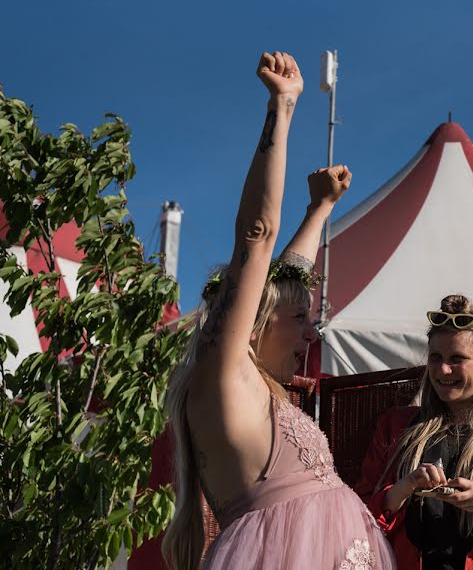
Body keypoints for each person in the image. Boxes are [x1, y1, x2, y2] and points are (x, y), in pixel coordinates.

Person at [163, 51, 395, 570]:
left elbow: (284, 282)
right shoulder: (225, 376)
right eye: (300, 321)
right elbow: (258, 237)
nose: (311, 335)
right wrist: (282, 109)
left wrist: (321, 209)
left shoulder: (254, 384)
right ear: (254, 326)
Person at [356, 295, 473, 570]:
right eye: (436, 357)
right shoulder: (395, 426)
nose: (443, 370)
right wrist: (404, 487)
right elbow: (358, 516)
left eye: (457, 358)